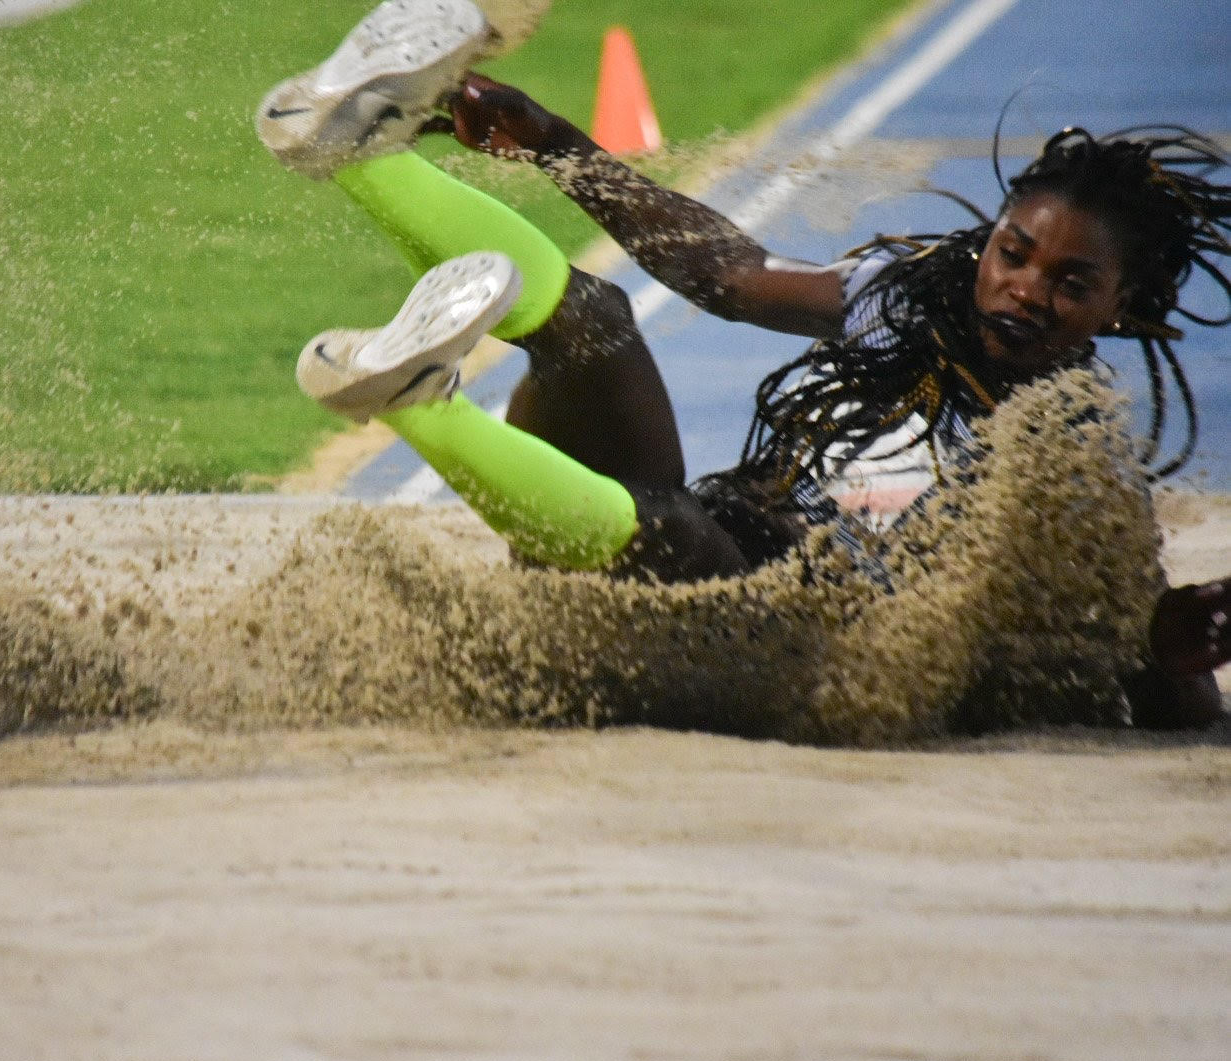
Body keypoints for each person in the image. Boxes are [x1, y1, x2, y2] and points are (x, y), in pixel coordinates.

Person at [254, 0, 1231, 728]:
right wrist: (555, 142)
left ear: (1123, 308)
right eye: (1013, 252)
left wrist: (1171, 656)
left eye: (1070, 282)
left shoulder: (1075, 459)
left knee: (677, 528)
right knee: (592, 316)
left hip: (780, 663)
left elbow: (1100, 670)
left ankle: (423, 405)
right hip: (651, 566)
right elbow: (730, 272)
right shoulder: (915, 299)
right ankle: (353, 147)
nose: (1023, 288)